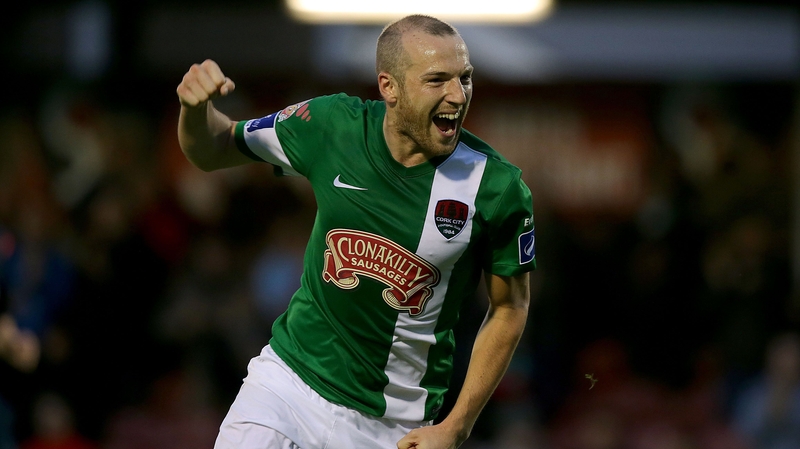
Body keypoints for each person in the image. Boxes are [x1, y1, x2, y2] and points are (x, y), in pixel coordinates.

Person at [176, 14, 536, 449]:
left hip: (395, 423)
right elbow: (214, 148)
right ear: (389, 86)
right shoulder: (331, 125)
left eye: (465, 77)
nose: (458, 95)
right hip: (289, 386)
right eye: (436, 80)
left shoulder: (497, 188)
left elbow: (510, 307)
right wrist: (195, 110)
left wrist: (457, 425)